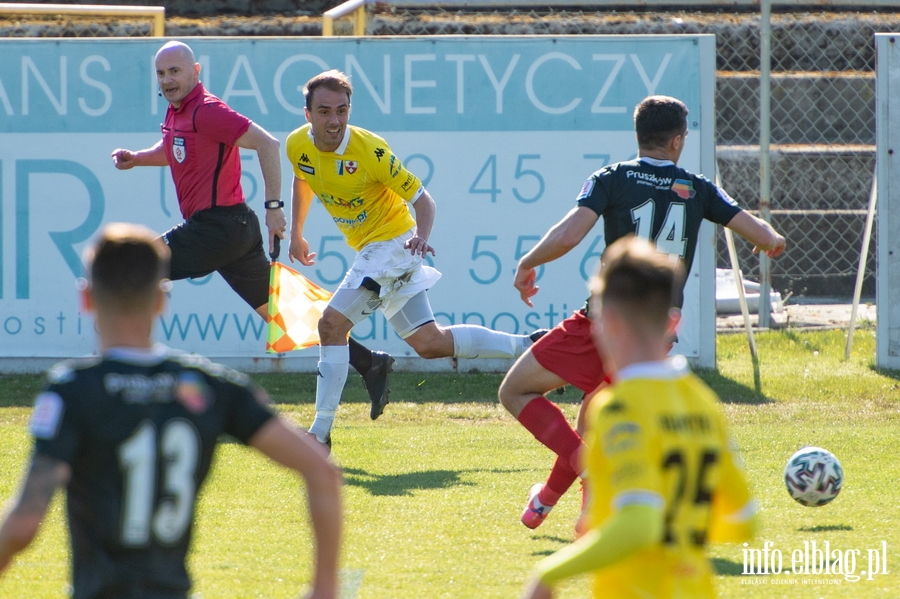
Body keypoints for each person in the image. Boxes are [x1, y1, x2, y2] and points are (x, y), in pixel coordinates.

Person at [0, 223, 342, 599]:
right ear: (162, 300)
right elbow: (320, 469)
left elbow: (25, 523)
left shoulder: (73, 390)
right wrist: (324, 588)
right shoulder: (210, 387)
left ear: (86, 299)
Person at [500, 95, 785, 530]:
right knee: (592, 420)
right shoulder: (697, 186)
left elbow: (569, 234)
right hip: (655, 335)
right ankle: (556, 505)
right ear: (676, 141)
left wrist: (528, 262)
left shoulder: (611, 177)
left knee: (515, 392)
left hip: (605, 323)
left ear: (640, 135)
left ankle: (582, 487)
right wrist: (768, 241)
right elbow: (765, 235)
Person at [110, 41, 394, 421]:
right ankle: (369, 362)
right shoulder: (178, 111)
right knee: (284, 313)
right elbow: (175, 149)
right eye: (161, 74)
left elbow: (266, 142)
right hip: (231, 232)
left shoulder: (207, 110)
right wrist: (137, 159)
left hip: (219, 228)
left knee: (131, 268)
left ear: (196, 72)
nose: (167, 80)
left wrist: (275, 208)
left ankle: (124, 377)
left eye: (175, 71)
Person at [285, 70, 546, 447]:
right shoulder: (296, 144)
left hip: (394, 244)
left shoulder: (370, 150)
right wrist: (296, 232)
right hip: (373, 250)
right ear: (308, 115)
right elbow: (303, 177)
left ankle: (319, 435)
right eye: (324, 112)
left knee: (330, 325)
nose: (335, 121)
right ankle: (530, 345)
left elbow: (424, 200)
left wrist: (421, 238)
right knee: (429, 343)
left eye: (342, 111)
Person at [521, 235, 758, 599]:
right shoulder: (703, 402)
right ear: (672, 324)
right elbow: (744, 519)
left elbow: (638, 524)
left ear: (608, 323)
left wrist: (550, 572)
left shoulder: (618, 408)